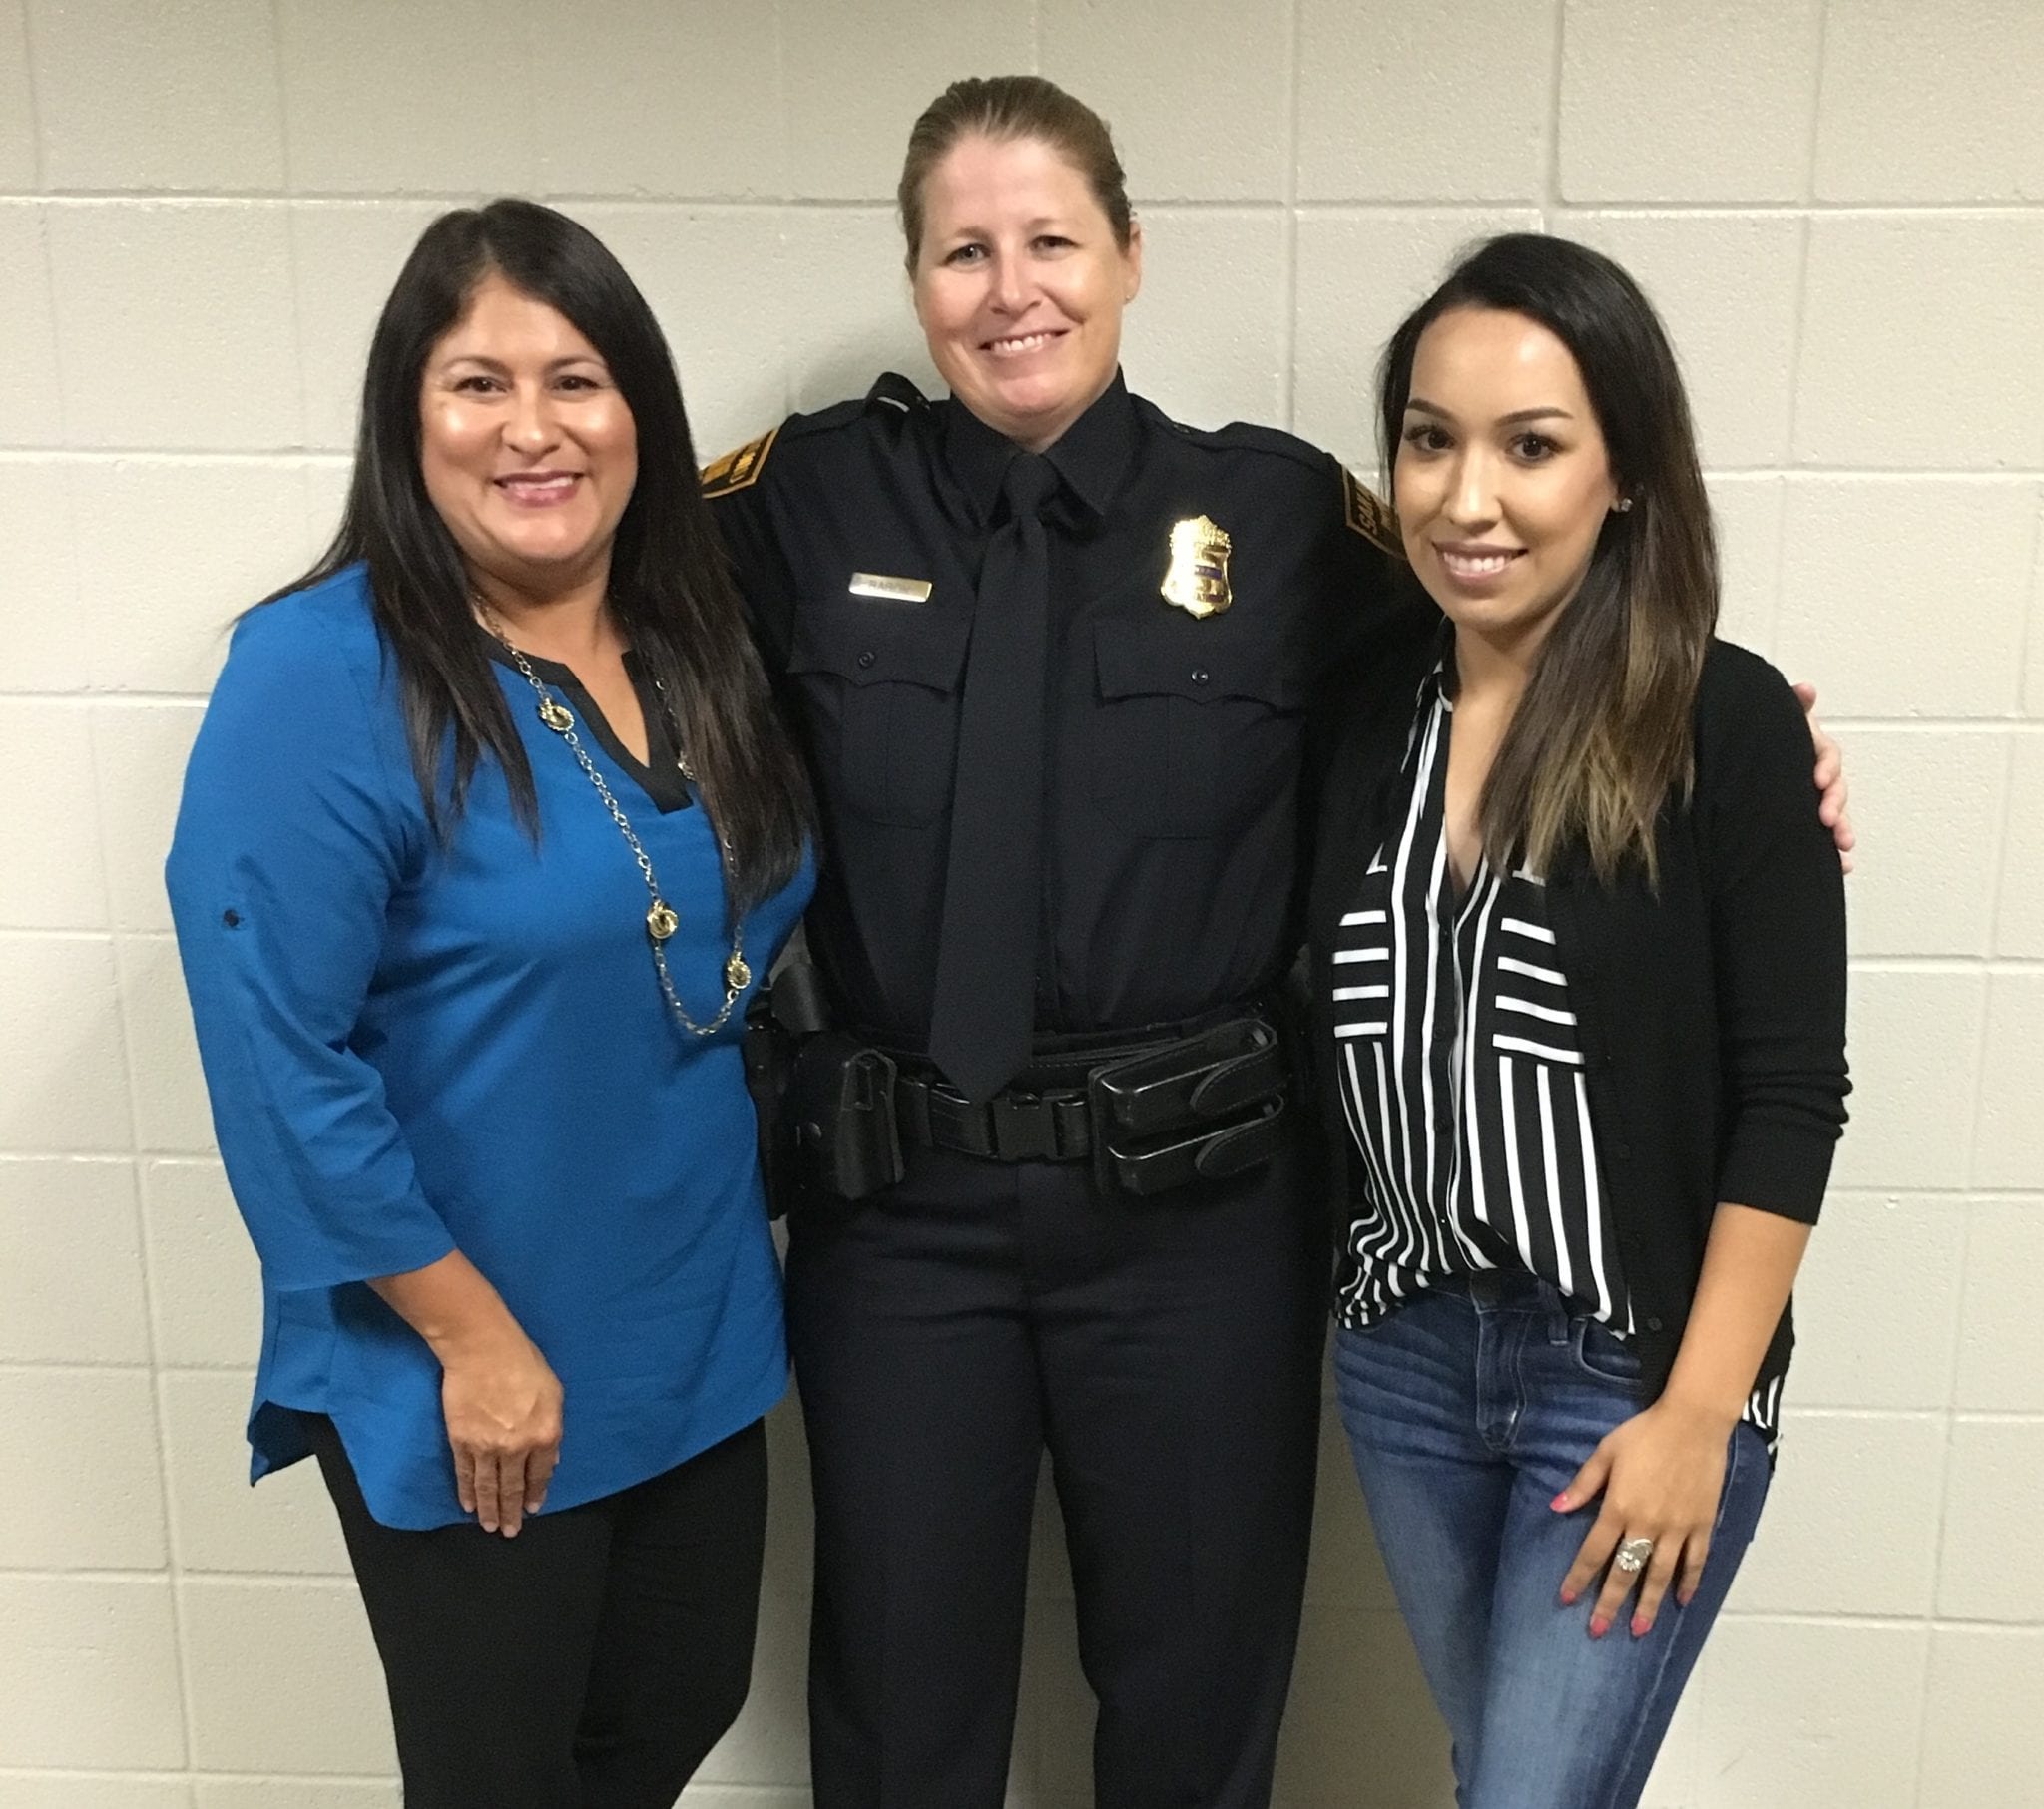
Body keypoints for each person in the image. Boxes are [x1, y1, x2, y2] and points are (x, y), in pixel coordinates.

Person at [706, 81, 1849, 1807]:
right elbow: (567, 590)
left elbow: (1545, 624)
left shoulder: (1292, 524)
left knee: (1197, 1705)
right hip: (903, 1218)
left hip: (1196, 1225)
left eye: (1053, 242)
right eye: (963, 250)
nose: (1012, 289)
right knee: (896, 1707)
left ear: (1132, 256)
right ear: (919, 275)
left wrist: (1760, 745)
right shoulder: (805, 502)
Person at [165, 198, 813, 1809]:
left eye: (578, 378)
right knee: (505, 1779)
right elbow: (276, 1055)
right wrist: (472, 1336)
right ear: (408, 417)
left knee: (669, 1719)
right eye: (477, 383)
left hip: (693, 1329)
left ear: (640, 415)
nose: (534, 427)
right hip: (467, 1354)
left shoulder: (694, 638)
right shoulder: (321, 674)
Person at [1307, 233, 1849, 1808]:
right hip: (1405, 1354)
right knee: (1510, 1771)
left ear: (1624, 475)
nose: (1468, 497)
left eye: (1531, 446)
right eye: (1429, 438)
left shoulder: (1721, 721)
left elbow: (1791, 1096)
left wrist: (1696, 1412)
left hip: (1627, 1373)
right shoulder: (1360, 714)